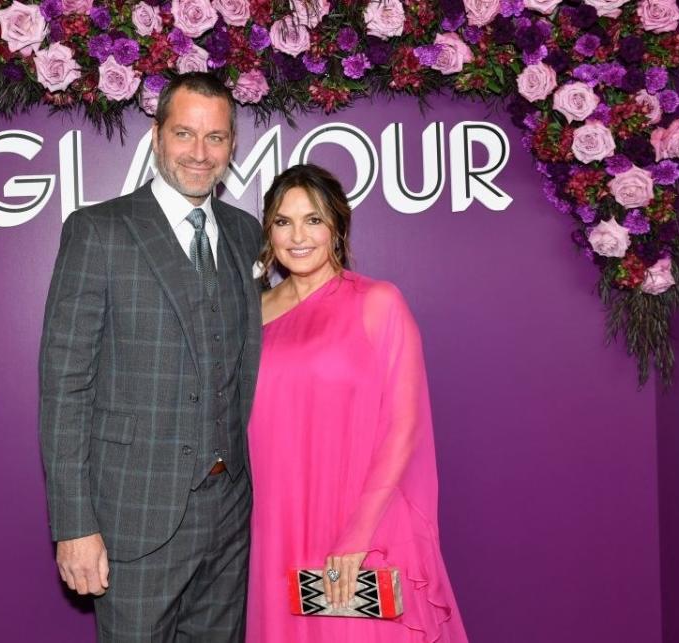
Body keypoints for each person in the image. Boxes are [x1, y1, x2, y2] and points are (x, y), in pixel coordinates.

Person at [38, 73, 263, 641]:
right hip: (134, 518)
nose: (200, 152)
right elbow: (65, 388)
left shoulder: (244, 233)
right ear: (157, 136)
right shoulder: (99, 231)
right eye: (185, 133)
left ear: (232, 145)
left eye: (216, 138)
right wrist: (74, 526)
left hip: (230, 513)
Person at [245, 164, 469, 642]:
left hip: (360, 525)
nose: (298, 236)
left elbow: (404, 426)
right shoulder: (253, 312)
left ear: (338, 227)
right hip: (277, 521)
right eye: (283, 222)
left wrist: (357, 534)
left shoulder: (378, 302)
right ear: (269, 231)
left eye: (314, 220)